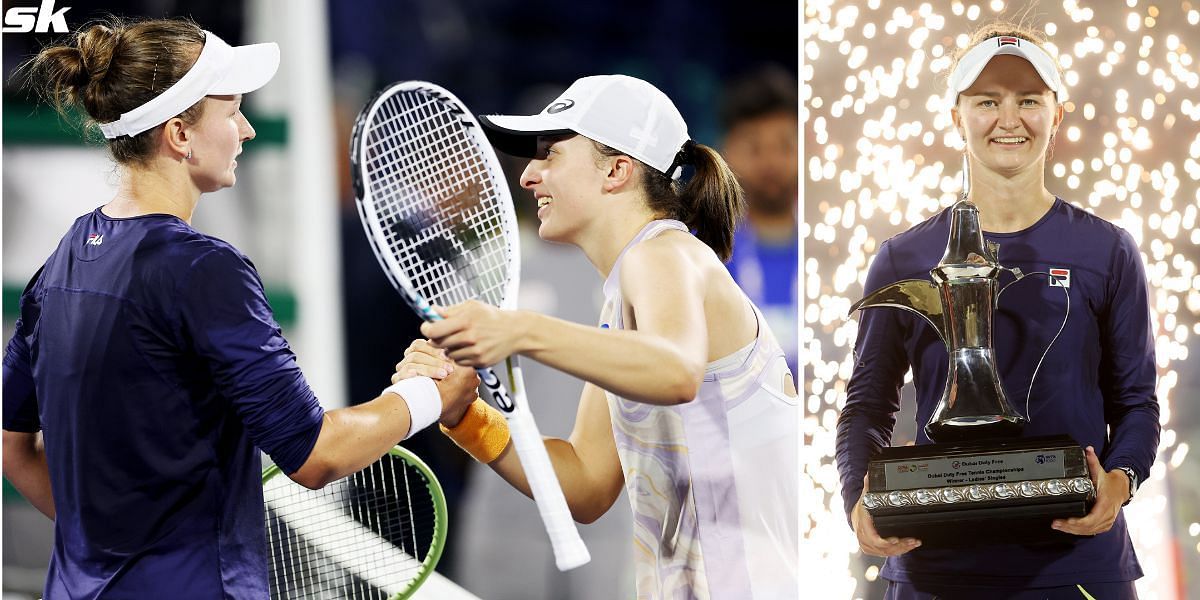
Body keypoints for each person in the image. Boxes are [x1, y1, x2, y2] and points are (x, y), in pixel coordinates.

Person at [1, 17, 478, 599]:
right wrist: (431, 395)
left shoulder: (63, 261)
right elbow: (316, 454)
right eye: (231, 113)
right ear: (180, 134)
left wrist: (110, 543)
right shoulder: (204, 269)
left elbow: (12, 443)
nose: (247, 130)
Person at [396, 74, 799, 599]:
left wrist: (518, 328)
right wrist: (466, 417)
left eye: (550, 154)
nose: (528, 176)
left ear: (616, 171)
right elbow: (584, 485)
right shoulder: (624, 302)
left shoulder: (665, 254)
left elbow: (677, 370)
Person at [836, 23, 1159, 600]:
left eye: (1029, 101)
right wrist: (855, 502)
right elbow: (866, 404)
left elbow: (1136, 401)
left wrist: (1120, 481)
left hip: (1075, 563)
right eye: (988, 101)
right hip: (937, 568)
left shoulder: (1107, 250)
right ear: (957, 117)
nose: (1009, 119)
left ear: (1057, 115)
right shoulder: (903, 257)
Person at [720, 65, 799, 377]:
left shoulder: (831, 250)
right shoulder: (700, 251)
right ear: (726, 153)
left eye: (784, 146)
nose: (770, 162)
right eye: (753, 147)